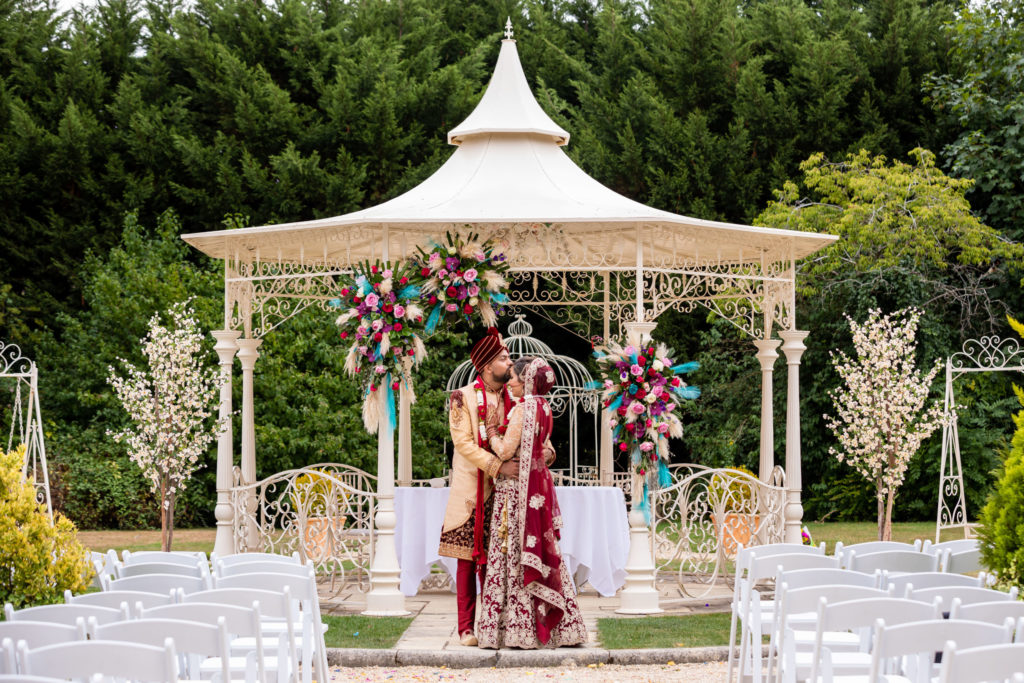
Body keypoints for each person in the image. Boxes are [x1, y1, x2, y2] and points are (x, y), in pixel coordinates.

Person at [476, 356, 588, 649]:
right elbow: (546, 449)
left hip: (515, 494)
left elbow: (505, 450)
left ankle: (516, 629)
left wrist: (491, 433)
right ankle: (561, 628)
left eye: (513, 377)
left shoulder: (523, 409)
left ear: (525, 380)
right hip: (534, 492)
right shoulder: (545, 407)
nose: (509, 383)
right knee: (543, 553)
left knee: (513, 553)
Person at [439, 327, 518, 647]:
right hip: (471, 492)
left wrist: (547, 451)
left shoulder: (515, 396)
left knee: (501, 560)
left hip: (507, 493)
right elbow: (463, 444)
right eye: (504, 357)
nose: (510, 362)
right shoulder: (462, 398)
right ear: (487, 367)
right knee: (467, 559)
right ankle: (466, 629)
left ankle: (495, 624)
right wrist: (498, 466)